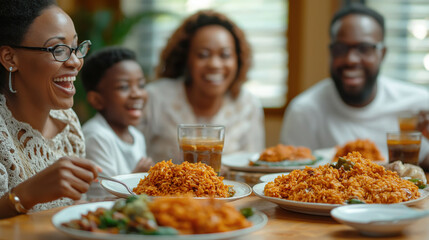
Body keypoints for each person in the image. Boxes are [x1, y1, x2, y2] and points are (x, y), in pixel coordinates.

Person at [279, 3, 429, 168]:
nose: (351, 59)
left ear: (382, 53)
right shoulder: (304, 111)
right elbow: (291, 178)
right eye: (340, 48)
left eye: (364, 48)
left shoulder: (419, 104)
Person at [0, 0, 99, 219]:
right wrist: (26, 194)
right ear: (10, 58)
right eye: (58, 49)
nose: (75, 62)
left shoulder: (68, 122)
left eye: (76, 47)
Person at [139, 10, 265, 163]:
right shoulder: (155, 97)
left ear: (238, 60)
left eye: (225, 55)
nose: (214, 64)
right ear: (187, 59)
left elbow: (253, 168)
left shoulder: (248, 104)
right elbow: (130, 160)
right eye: (203, 55)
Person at [80, 47, 153, 199]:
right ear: (97, 100)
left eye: (141, 85)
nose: (137, 94)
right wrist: (138, 178)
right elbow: (100, 197)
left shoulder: (136, 136)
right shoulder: (96, 136)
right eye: (124, 87)